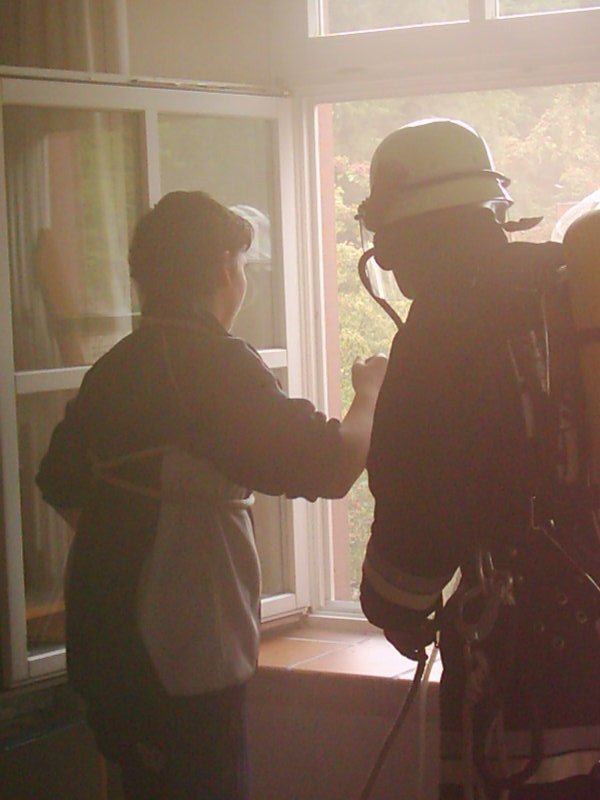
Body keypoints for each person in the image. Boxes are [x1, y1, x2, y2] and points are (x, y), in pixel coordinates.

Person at [36, 190, 387, 800]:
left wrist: (127, 533)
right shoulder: (211, 365)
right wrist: (372, 392)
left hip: (111, 647)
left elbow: (58, 479)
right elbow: (330, 467)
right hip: (182, 655)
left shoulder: (116, 367)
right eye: (243, 264)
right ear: (225, 267)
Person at [356, 118, 600, 799]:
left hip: (527, 684)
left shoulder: (443, 328)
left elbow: (416, 503)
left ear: (406, 236)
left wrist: (394, 604)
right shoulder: (571, 285)